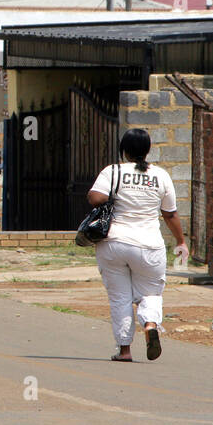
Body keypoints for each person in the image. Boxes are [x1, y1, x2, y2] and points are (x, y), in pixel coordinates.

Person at [89, 128, 188, 362]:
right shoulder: (161, 176)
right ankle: (150, 324)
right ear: (148, 150)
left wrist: (113, 195)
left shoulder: (112, 171)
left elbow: (95, 198)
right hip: (149, 246)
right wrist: (181, 241)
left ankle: (124, 350)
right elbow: (170, 214)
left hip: (113, 243)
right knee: (151, 294)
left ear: (124, 150)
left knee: (120, 297)